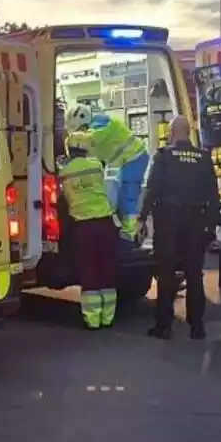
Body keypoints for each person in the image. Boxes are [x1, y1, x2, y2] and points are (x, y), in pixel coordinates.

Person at [139, 115, 221, 340]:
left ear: (172, 133)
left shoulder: (164, 156)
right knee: (194, 274)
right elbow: (214, 196)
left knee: (166, 274)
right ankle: (197, 327)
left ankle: (163, 326)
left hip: (169, 222)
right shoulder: (203, 157)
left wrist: (141, 218)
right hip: (196, 222)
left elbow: (152, 189)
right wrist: (210, 226)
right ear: (189, 132)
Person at [64, 103, 150, 243]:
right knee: (122, 196)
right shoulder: (97, 125)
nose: (81, 132)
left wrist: (68, 139)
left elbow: (90, 138)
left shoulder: (100, 124)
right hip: (127, 160)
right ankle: (129, 230)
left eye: (81, 129)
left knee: (128, 197)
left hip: (134, 156)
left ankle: (131, 234)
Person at [59, 132, 119, 330]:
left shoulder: (64, 172)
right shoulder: (96, 166)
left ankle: (92, 319)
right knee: (107, 270)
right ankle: (108, 317)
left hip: (83, 227)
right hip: (105, 223)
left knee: (89, 272)